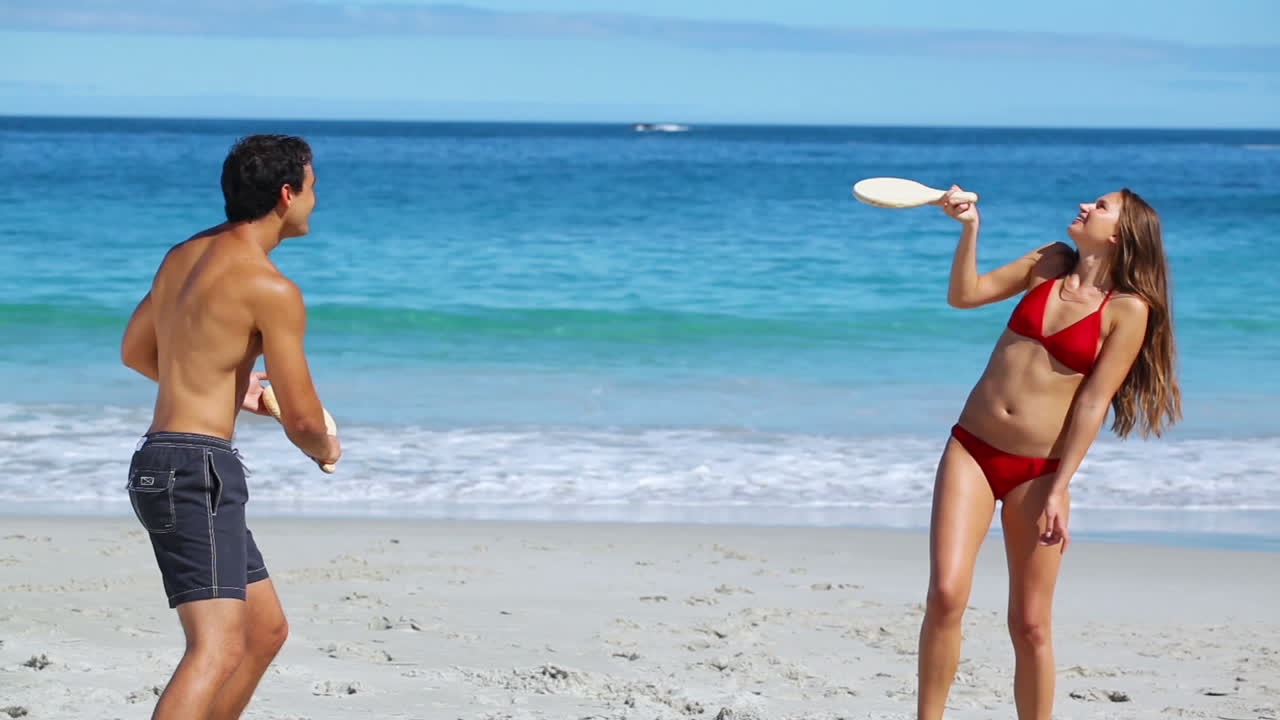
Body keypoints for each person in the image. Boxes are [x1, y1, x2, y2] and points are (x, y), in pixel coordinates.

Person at [916, 186, 1181, 720]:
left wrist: (1060, 489)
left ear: (1121, 234)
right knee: (945, 595)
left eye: (1101, 207)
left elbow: (1091, 404)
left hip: (1038, 472)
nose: (1086, 206)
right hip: (972, 448)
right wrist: (970, 228)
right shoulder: (1048, 262)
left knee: (1030, 624)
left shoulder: (1128, 310)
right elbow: (963, 295)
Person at [120, 133, 341, 719]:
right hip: (198, 471)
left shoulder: (184, 255)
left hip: (163, 463)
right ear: (287, 194)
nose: (316, 201)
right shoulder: (271, 289)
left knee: (264, 632)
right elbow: (300, 417)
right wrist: (327, 446)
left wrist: (230, 385)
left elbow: (136, 352)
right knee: (215, 648)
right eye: (314, 189)